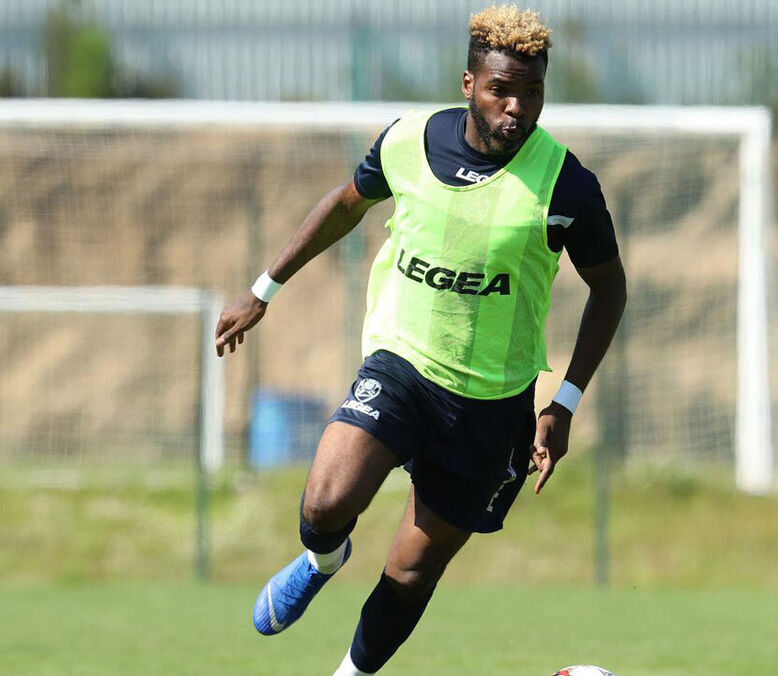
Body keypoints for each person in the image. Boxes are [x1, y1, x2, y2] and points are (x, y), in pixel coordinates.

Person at [213, 6, 626, 674]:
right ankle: (323, 560)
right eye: (501, 90)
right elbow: (346, 204)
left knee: (411, 571)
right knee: (325, 502)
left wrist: (565, 403)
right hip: (402, 366)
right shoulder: (408, 140)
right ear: (469, 84)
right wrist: (263, 289)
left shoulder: (566, 184)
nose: (516, 108)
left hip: (493, 404)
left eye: (532, 93)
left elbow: (610, 290)